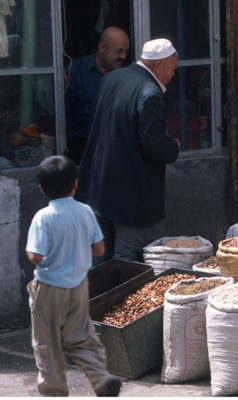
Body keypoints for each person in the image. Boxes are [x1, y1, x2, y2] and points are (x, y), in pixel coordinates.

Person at [76, 38, 181, 263]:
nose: (173, 74)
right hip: (131, 195)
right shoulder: (150, 93)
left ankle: (99, 299)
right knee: (127, 260)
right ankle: (116, 298)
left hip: (101, 187)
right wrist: (173, 146)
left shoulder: (113, 77)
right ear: (159, 65)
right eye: (172, 68)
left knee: (100, 258)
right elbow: (152, 145)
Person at [25, 155, 121, 397]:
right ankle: (101, 378)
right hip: (78, 287)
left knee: (47, 342)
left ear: (42, 188)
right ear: (75, 184)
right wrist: (77, 246)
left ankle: (54, 390)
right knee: (81, 338)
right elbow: (99, 249)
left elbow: (35, 256)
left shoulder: (43, 217)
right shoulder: (86, 211)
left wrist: (40, 252)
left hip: (49, 288)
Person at [64, 26, 130, 164]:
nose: (123, 57)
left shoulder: (126, 73)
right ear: (101, 47)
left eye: (126, 51)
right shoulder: (74, 71)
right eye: (119, 51)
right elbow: (62, 112)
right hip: (81, 149)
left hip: (117, 149)